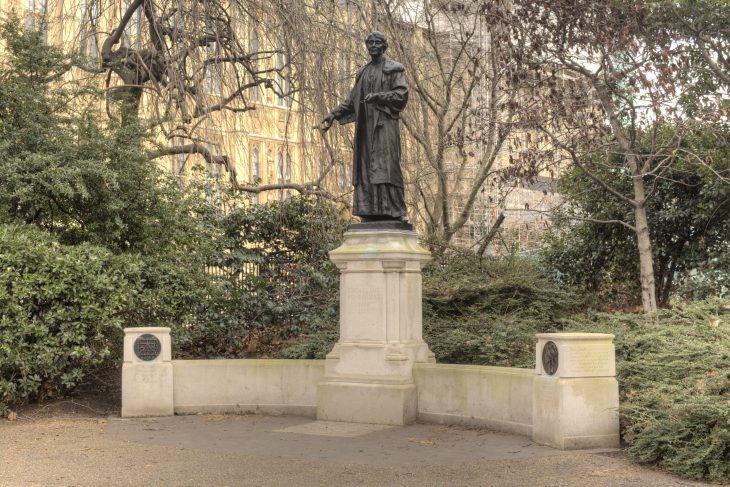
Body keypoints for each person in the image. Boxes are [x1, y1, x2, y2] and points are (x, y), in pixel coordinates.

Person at [321, 31, 409, 223]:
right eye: (370, 43)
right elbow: (352, 100)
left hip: (384, 127)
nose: (373, 46)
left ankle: (394, 210)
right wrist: (333, 114)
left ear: (384, 46)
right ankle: (370, 211)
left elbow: (401, 95)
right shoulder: (364, 72)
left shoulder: (394, 69)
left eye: (377, 42)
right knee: (366, 169)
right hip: (365, 130)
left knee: (386, 168)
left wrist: (379, 96)